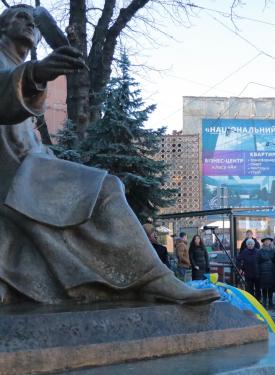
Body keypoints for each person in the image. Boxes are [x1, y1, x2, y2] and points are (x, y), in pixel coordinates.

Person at [0, 5, 219, 305]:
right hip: (12, 172)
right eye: (19, 17)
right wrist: (37, 73)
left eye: (32, 21)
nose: (28, 23)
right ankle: (154, 279)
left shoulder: (17, 67)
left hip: (31, 165)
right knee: (106, 187)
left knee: (99, 192)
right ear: (3, 27)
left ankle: (135, 280)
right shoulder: (8, 65)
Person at [257, 237, 275, 309]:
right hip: (263, 271)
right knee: (264, 288)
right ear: (263, 242)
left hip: (271, 271)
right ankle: (264, 302)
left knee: (271, 288)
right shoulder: (260, 251)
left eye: (268, 241)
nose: (267, 242)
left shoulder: (273, 251)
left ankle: (270, 302)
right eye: (266, 241)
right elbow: (257, 262)